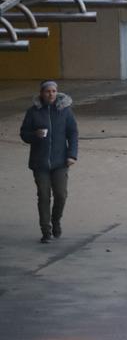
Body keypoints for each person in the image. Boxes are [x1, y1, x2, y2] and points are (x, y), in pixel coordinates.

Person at [20, 80, 78, 243]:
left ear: (57, 93)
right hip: (40, 163)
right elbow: (24, 133)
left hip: (60, 161)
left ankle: (56, 220)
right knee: (44, 196)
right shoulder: (33, 112)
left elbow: (73, 133)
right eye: (47, 91)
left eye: (53, 91)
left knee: (61, 195)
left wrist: (72, 155)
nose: (50, 94)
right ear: (41, 93)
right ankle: (46, 231)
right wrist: (34, 135)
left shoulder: (65, 111)